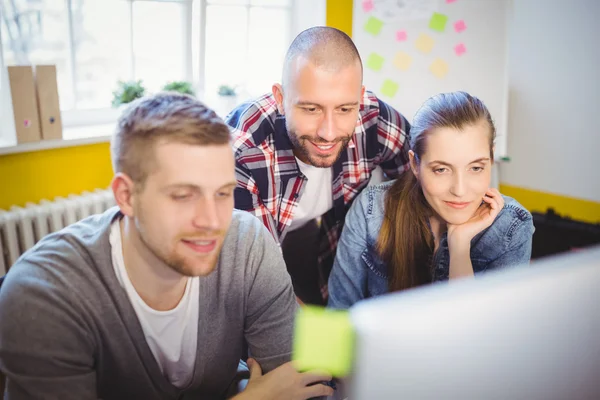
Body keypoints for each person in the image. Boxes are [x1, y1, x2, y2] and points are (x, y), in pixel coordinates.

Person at [0, 93, 334, 400]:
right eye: (183, 195)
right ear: (126, 196)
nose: (212, 221)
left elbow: (297, 386)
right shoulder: (43, 296)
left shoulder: (247, 245)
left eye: (221, 193)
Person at [227, 26, 411, 305]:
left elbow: (422, 182)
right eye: (311, 109)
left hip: (326, 234)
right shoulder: (242, 149)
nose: (328, 132)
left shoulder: (375, 119)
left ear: (359, 98)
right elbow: (256, 279)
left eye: (344, 109)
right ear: (280, 99)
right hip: (258, 240)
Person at [327, 91, 535, 309]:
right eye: (441, 169)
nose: (460, 190)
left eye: (476, 168)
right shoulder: (371, 210)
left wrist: (460, 247)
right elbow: (338, 316)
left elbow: (482, 338)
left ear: (491, 159)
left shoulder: (512, 227)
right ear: (415, 165)